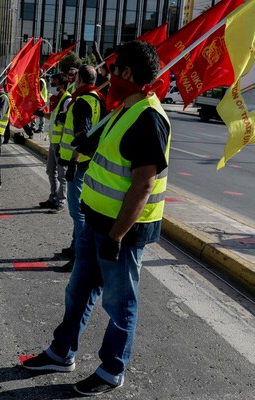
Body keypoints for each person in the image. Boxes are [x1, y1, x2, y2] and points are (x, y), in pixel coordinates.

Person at [21, 40, 171, 396]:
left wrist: (117, 236)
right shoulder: (123, 110)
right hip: (95, 222)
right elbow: (101, 151)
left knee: (119, 304)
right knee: (79, 290)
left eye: (113, 69)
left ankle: (111, 370)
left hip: (121, 232)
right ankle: (62, 353)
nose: (108, 75)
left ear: (127, 73)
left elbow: (143, 185)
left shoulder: (149, 118)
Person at [58, 64, 105, 271]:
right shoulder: (99, 100)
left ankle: (80, 256)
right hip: (90, 161)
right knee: (81, 210)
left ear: (79, 80)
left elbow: (81, 135)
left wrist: (73, 162)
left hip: (77, 163)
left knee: (77, 212)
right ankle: (75, 246)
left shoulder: (81, 102)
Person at [35, 73, 72, 212]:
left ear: (62, 86)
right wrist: (41, 114)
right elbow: (53, 116)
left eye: (54, 84)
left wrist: (62, 145)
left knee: (62, 174)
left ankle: (61, 202)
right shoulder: (56, 99)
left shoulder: (67, 100)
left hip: (61, 143)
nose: (52, 87)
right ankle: (53, 197)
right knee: (51, 171)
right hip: (53, 141)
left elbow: (66, 123)